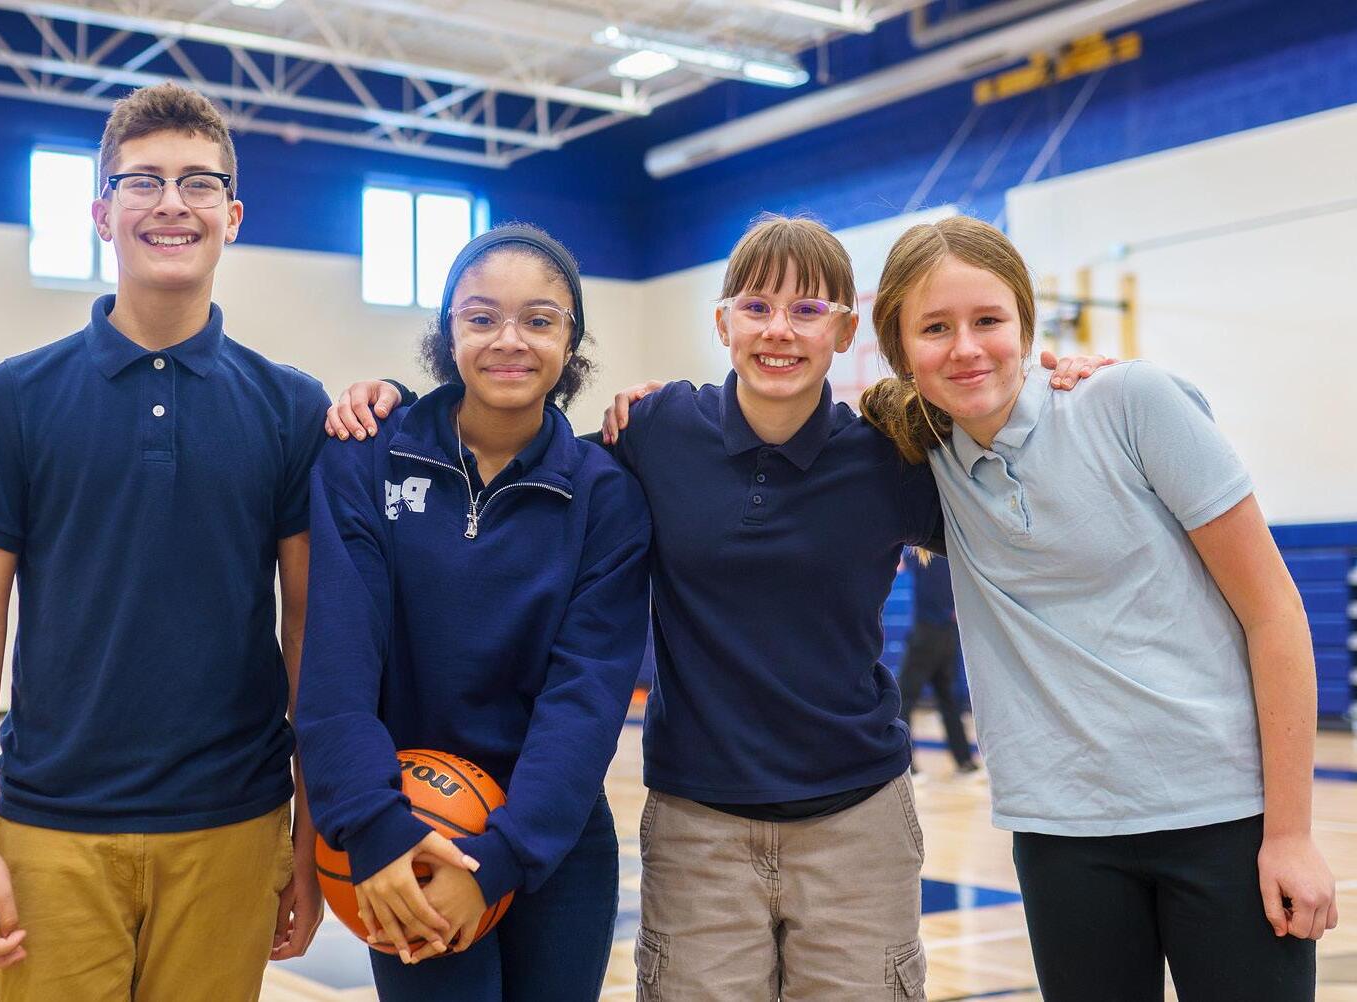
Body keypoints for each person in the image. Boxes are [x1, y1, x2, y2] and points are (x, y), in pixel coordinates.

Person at [323, 214, 1106, 1001]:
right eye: (757, 306)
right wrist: (396, 405)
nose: (779, 329)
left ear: (844, 331)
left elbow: (1026, 508)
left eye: (807, 310)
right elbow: (513, 442)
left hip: (856, 818)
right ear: (722, 321)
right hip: (697, 824)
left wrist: (1064, 399)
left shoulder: (890, 457)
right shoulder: (654, 432)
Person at [859, 214, 1336, 1001]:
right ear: (899, 349)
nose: (966, 347)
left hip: (1221, 818)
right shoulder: (918, 458)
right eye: (934, 328)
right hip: (1061, 835)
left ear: (1025, 324)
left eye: (988, 320)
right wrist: (654, 407)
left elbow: (1274, 613)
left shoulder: (1126, 401)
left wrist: (1289, 834)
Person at [0, 82, 328, 1001]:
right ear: (102, 213)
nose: (171, 203)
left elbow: (308, 629)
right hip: (51, 829)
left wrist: (308, 839)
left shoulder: (291, 406)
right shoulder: (16, 397)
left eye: (198, 183)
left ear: (232, 217)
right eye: (143, 181)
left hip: (234, 826)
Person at [295, 224, 652, 1002]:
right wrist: (375, 827)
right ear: (447, 332)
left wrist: (502, 858)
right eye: (481, 317)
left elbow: (586, 696)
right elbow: (337, 664)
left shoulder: (605, 494)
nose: (508, 341)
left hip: (548, 839)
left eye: (539, 320)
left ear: (571, 340)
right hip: (408, 836)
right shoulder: (366, 455)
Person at [898, 550, 979, 776]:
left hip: (926, 633)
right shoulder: (952, 552)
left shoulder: (919, 553)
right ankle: (964, 760)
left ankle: (905, 763)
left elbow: (899, 563)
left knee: (903, 699)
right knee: (948, 700)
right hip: (948, 633)